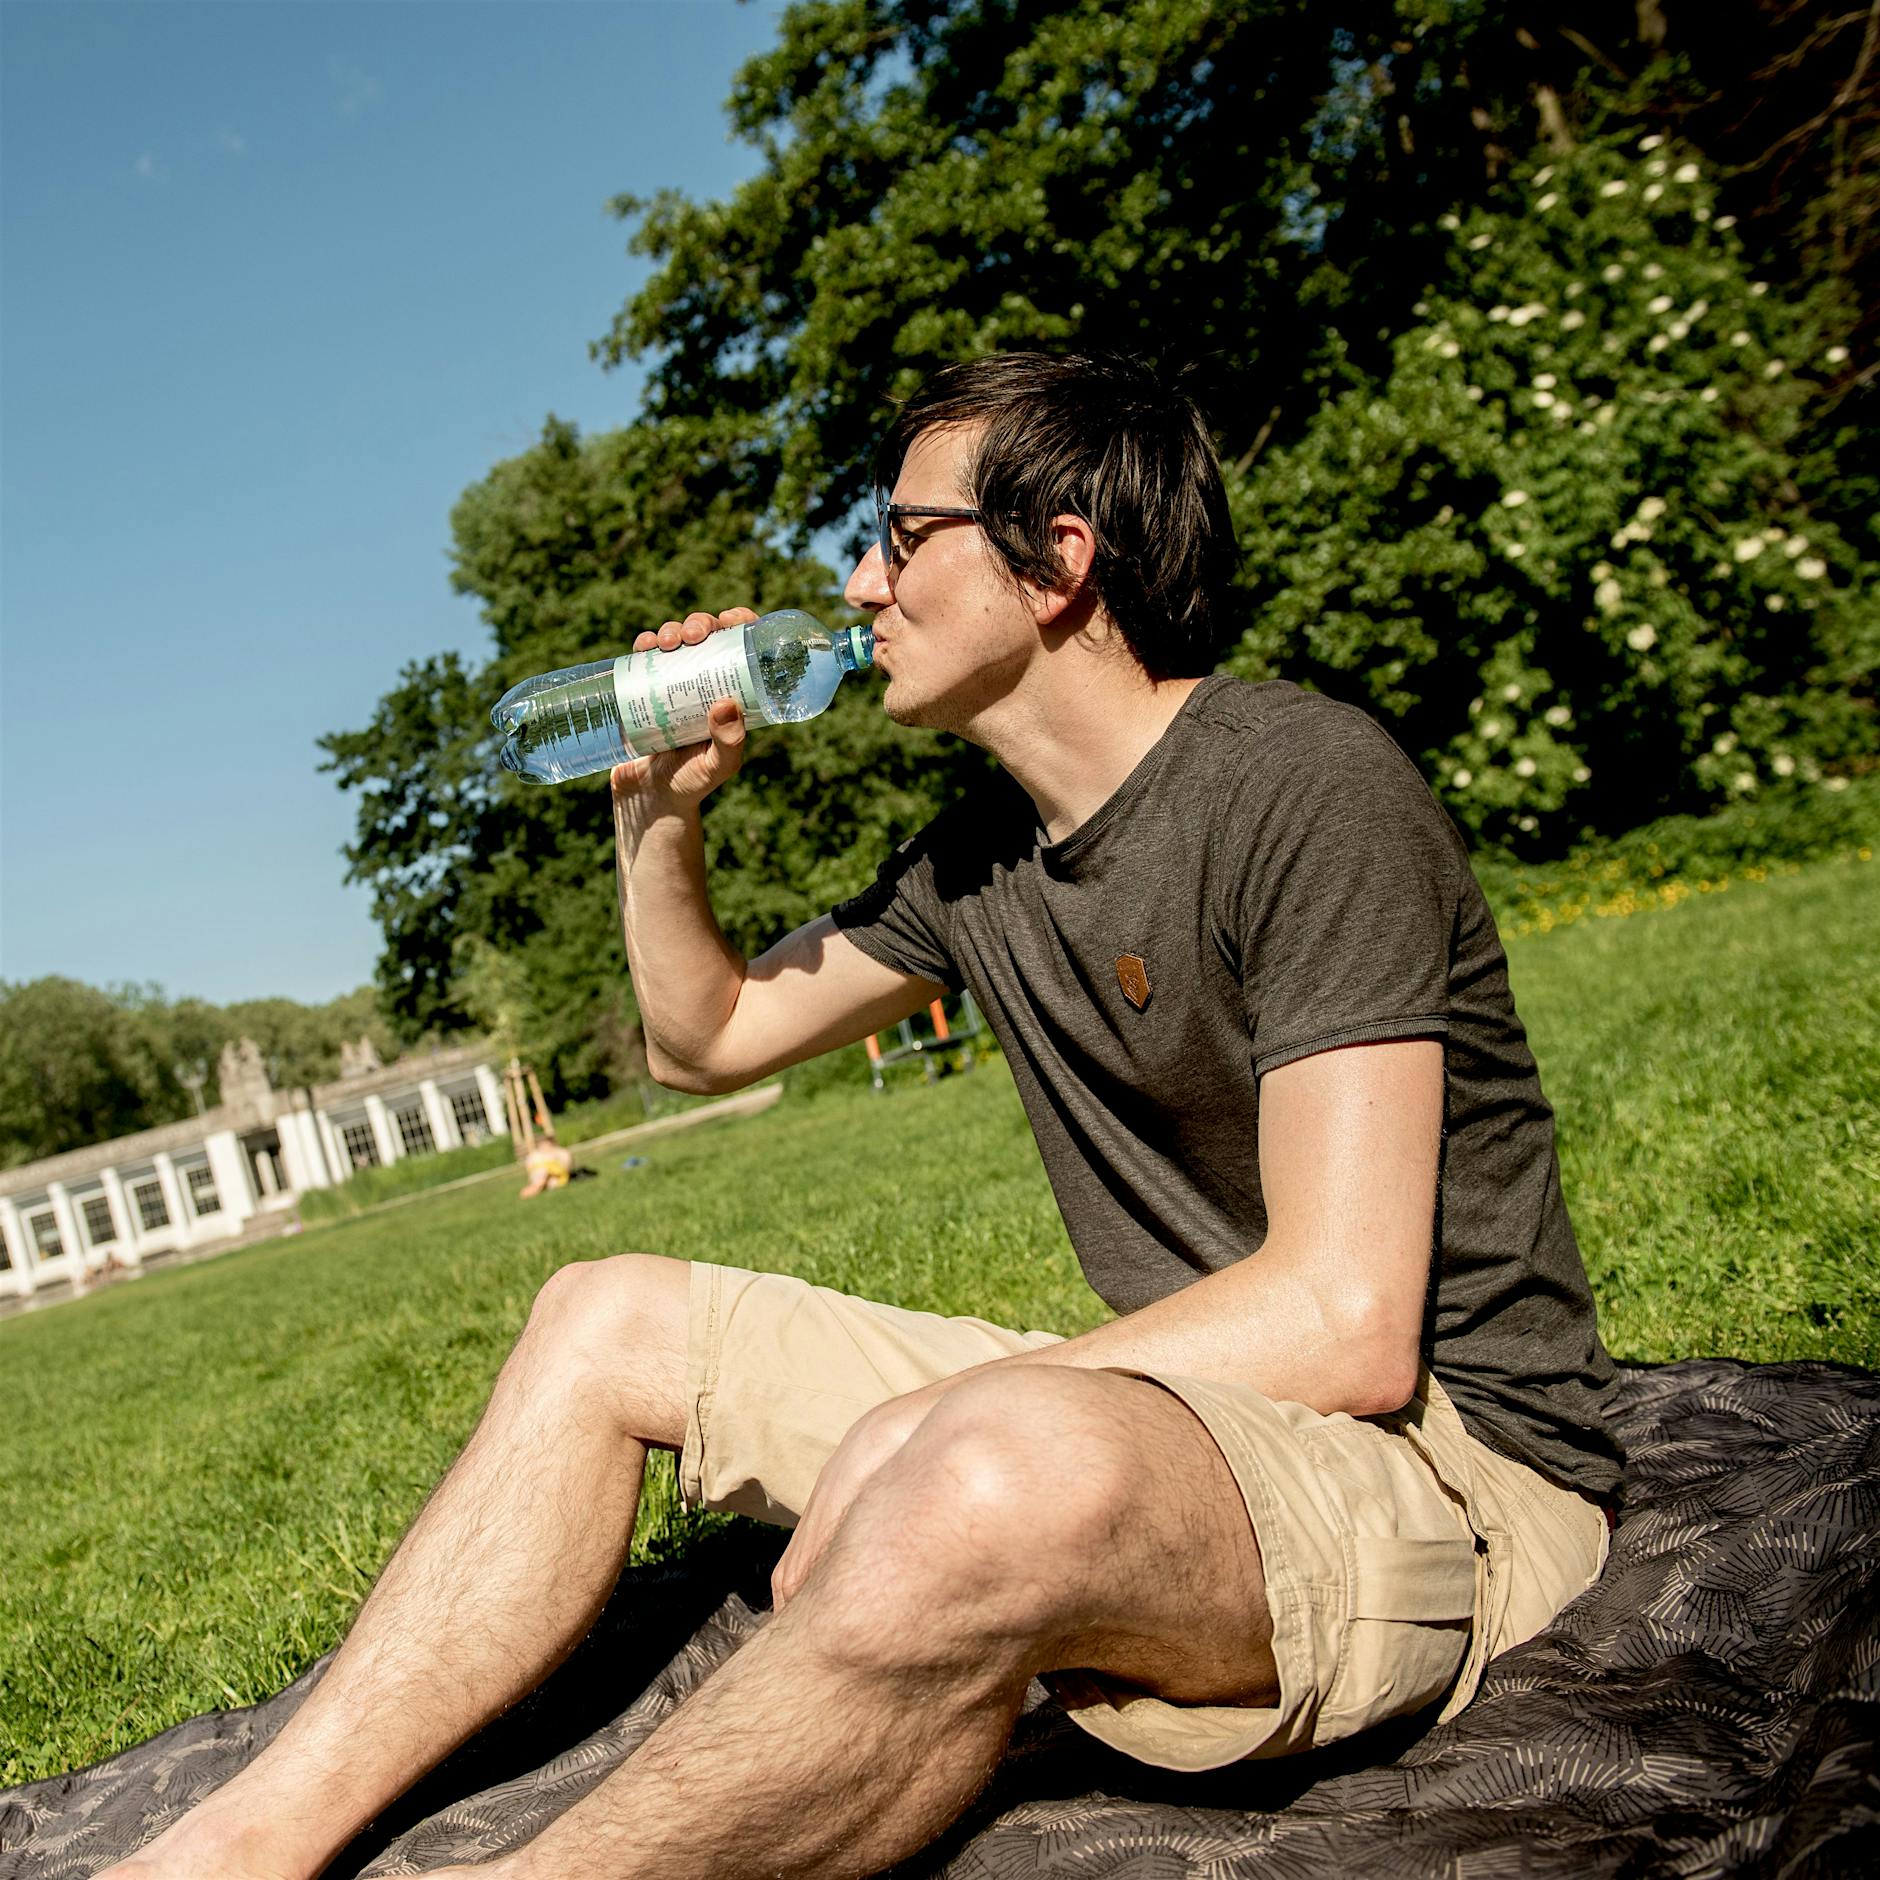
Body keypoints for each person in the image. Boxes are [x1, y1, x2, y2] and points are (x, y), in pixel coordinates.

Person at [101, 353, 1621, 1880]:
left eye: (903, 538)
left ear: (1059, 562)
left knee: (981, 1464)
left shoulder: (1304, 787)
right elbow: (706, 1040)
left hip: (1446, 1467)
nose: (858, 584)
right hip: (1191, 1417)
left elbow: (1349, 1323)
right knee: (602, 1322)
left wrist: (931, 1425)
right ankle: (243, 1845)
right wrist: (658, 814)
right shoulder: (978, 859)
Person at [517, 1128, 574, 1199]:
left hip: (556, 1175)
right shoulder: (535, 1155)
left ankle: (533, 1189)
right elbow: (530, 1169)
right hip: (540, 1176)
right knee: (543, 1173)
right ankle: (535, 1188)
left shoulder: (560, 1152)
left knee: (545, 1173)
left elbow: (567, 1167)